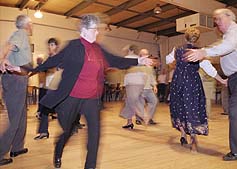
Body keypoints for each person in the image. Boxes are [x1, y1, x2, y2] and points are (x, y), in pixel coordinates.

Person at [6, 14, 154, 169]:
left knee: (95, 135)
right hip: (72, 97)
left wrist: (139, 60)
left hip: (92, 100)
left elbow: (116, 60)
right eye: (94, 29)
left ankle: (90, 166)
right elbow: (51, 62)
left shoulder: (98, 49)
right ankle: (58, 149)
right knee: (68, 131)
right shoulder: (73, 46)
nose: (97, 32)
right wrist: (23, 69)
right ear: (84, 30)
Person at [184, 8, 237, 160]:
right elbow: (223, 48)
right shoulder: (229, 35)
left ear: (229, 17)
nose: (216, 22)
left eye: (218, 18)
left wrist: (204, 52)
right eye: (215, 19)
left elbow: (227, 47)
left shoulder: (235, 30)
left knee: (236, 113)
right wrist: (206, 52)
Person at [166, 27, 227, 152]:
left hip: (178, 82)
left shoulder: (177, 49)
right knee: (191, 108)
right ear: (197, 39)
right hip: (192, 83)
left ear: (185, 37)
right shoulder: (200, 52)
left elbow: (168, 60)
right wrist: (222, 80)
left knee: (179, 108)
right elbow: (208, 68)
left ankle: (183, 135)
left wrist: (175, 63)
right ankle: (193, 139)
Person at [0, 15, 32, 166]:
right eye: (31, 24)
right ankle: (0, 153)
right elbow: (9, 45)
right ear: (27, 24)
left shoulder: (22, 35)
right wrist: (2, 59)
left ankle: (17, 147)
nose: (32, 27)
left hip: (19, 78)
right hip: (15, 79)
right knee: (14, 116)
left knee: (21, 115)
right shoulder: (21, 33)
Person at [120, 45, 147, 128]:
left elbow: (123, 67)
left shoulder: (127, 57)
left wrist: (123, 83)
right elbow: (144, 72)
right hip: (140, 83)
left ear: (130, 50)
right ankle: (133, 120)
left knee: (130, 102)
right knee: (134, 101)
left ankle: (138, 116)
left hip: (131, 83)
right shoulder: (139, 59)